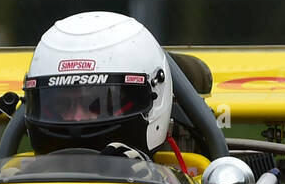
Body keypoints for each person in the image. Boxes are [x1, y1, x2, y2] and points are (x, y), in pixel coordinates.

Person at [22, 11, 173, 158]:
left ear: (156, 97)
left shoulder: (182, 177)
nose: (77, 118)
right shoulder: (13, 176)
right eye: (61, 104)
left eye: (98, 105)